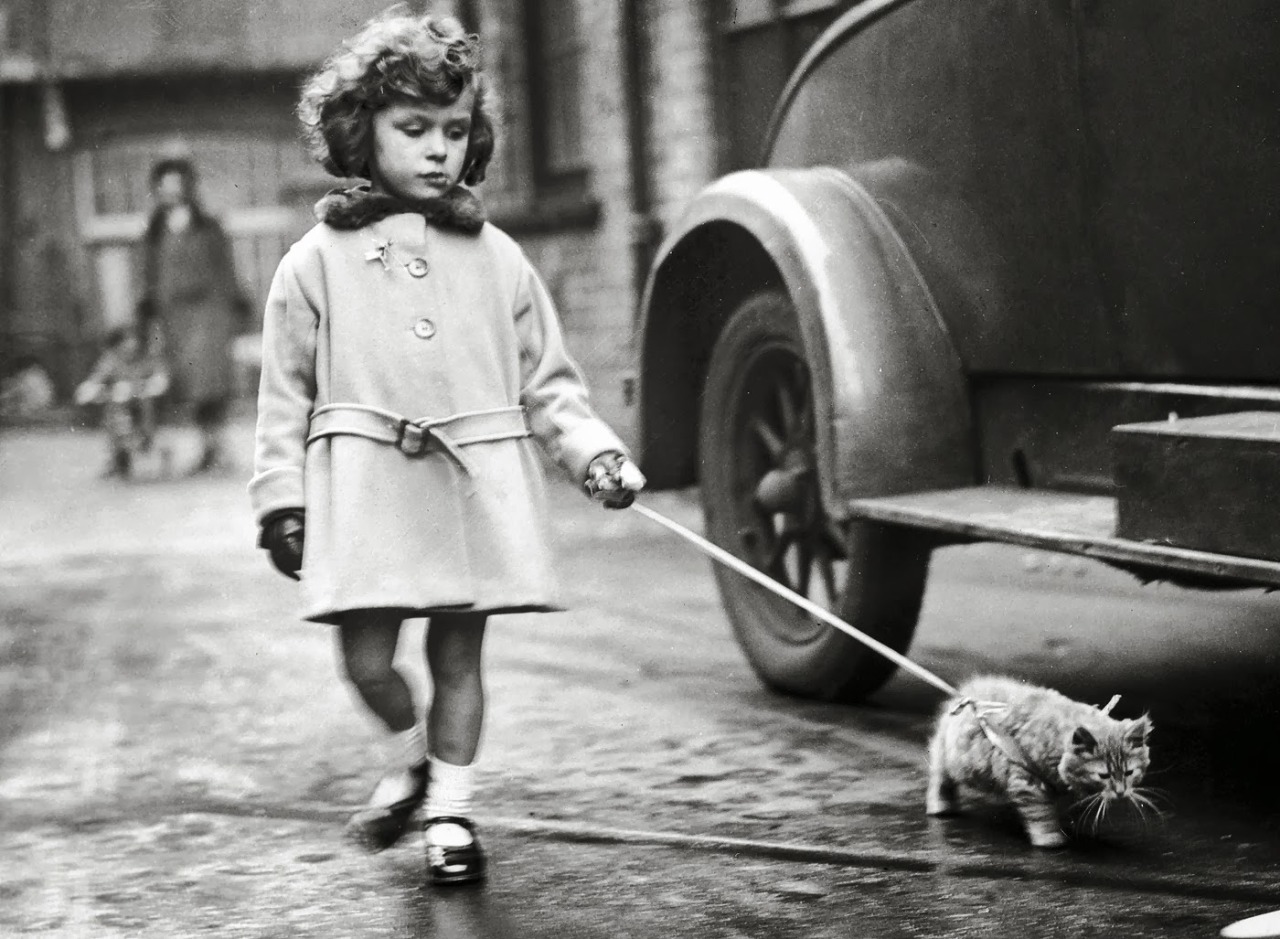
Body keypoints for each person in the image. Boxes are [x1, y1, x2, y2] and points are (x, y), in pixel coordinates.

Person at [248, 12, 645, 886]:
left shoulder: (498, 257)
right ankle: (411, 751)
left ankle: (453, 811)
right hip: (365, 488)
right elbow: (284, 392)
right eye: (414, 129)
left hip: (476, 485)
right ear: (363, 132)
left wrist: (594, 456)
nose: (438, 151)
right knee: (365, 660)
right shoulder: (314, 262)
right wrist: (282, 497)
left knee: (458, 655)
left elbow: (550, 383)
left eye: (455, 131)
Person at [139, 157, 249, 474]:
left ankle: (216, 448)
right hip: (175, 318)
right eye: (165, 185)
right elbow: (148, 276)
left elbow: (226, 271)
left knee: (212, 383)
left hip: (210, 313)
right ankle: (207, 448)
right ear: (157, 189)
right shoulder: (154, 231)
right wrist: (148, 313)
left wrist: (234, 311)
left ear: (188, 188)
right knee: (188, 385)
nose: (171, 191)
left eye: (177, 184)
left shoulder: (209, 226)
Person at [74, 322, 170, 478]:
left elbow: (161, 378)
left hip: (146, 403)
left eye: (132, 340)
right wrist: (89, 389)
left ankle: (146, 441)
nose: (130, 345)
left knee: (145, 408)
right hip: (121, 403)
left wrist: (149, 386)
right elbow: (96, 379)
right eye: (125, 341)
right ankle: (119, 455)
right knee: (114, 413)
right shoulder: (111, 360)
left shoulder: (147, 359)